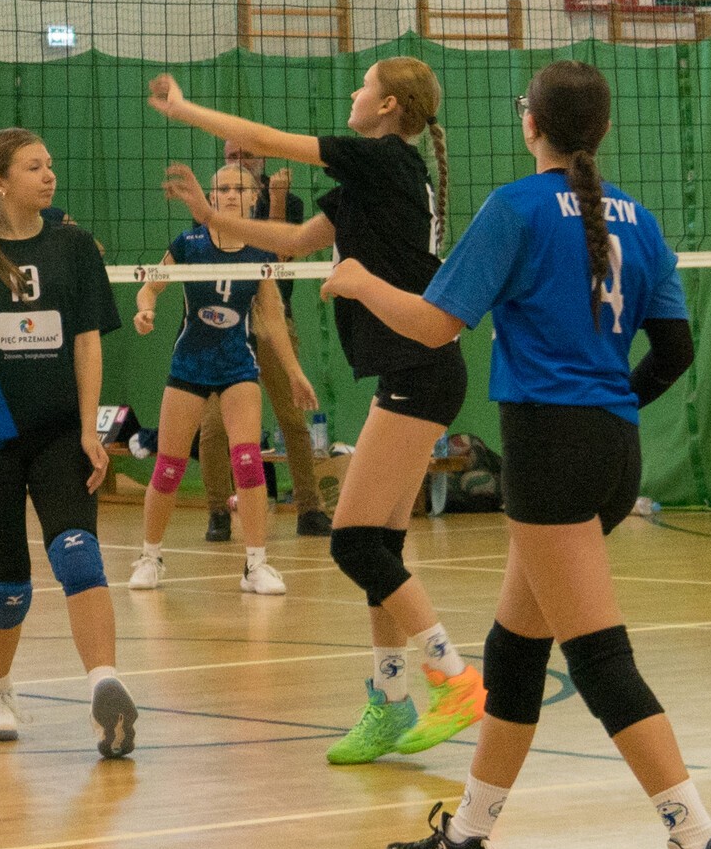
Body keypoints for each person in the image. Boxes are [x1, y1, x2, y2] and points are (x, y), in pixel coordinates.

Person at [336, 61, 711, 849]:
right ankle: (466, 842)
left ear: (531, 122)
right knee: (517, 653)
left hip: (549, 450)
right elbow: (674, 351)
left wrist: (358, 281)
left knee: (600, 660)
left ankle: (700, 845)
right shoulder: (637, 218)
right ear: (601, 130)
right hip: (610, 449)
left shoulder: (517, 209)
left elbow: (434, 325)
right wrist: (606, 406)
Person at [152, 59, 485, 765]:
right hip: (414, 371)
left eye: (363, 86)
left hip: (419, 370)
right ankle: (390, 703)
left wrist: (183, 109)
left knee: (353, 544)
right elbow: (298, 241)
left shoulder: (384, 160)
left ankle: (453, 677)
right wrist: (212, 219)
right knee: (379, 549)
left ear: (388, 106)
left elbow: (264, 140)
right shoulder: (374, 178)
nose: (354, 94)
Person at [0, 127, 135, 757]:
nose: (49, 175)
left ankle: (105, 686)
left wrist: (91, 429)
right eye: (34, 167)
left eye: (50, 165)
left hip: (59, 434)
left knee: (79, 556)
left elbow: (87, 341)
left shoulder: (73, 246)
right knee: (8, 587)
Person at [130, 163, 314, 596]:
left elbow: (272, 319)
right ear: (211, 198)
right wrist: (145, 309)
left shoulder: (260, 252)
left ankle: (256, 565)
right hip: (189, 365)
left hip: (237, 366)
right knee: (169, 467)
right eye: (223, 189)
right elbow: (150, 285)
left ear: (254, 198)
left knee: (247, 461)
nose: (230, 195)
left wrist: (295, 374)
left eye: (239, 189)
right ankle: (150, 557)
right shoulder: (189, 244)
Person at [229, 142, 331, 537]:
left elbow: (277, 256)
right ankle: (219, 511)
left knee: (291, 415)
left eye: (246, 154)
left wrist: (275, 200)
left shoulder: (289, 200)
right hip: (228, 321)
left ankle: (309, 508)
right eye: (231, 156)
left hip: (273, 319)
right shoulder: (220, 202)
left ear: (264, 159)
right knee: (217, 424)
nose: (239, 162)